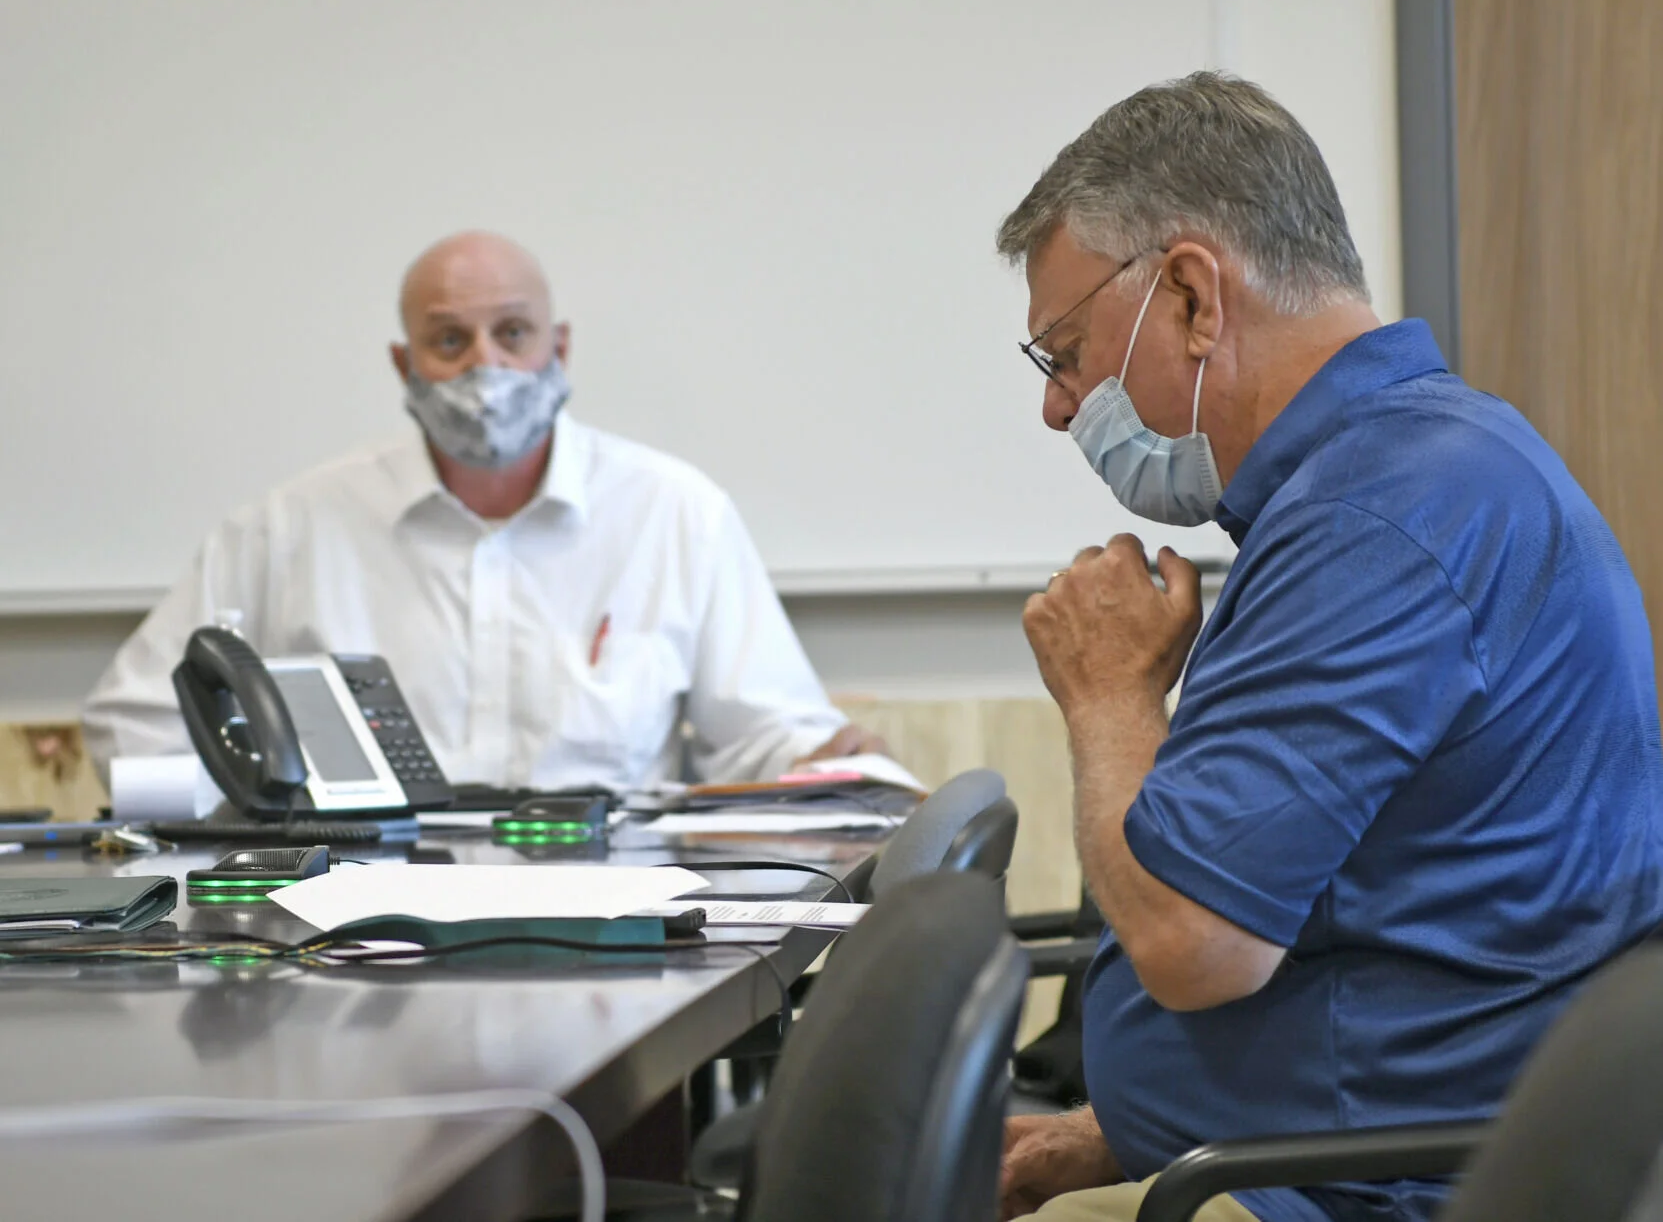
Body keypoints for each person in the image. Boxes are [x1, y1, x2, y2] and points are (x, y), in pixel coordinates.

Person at [995, 73, 1663, 1221]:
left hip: (1371, 1191)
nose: (1059, 408)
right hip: (1321, 1151)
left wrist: (1109, 696)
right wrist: (1107, 1129)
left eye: (1062, 351)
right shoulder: (1405, 472)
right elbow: (1374, 914)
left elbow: (1196, 943)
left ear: (1196, 296)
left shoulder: (1377, 519)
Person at [82, 231, 882, 789]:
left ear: (558, 347)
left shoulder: (674, 513)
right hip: (352, 942)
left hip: (619, 927)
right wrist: (254, 806)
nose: (486, 366)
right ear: (404, 364)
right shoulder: (287, 528)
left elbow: (763, 735)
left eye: (511, 332)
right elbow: (137, 723)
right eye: (449, 340)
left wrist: (832, 758)